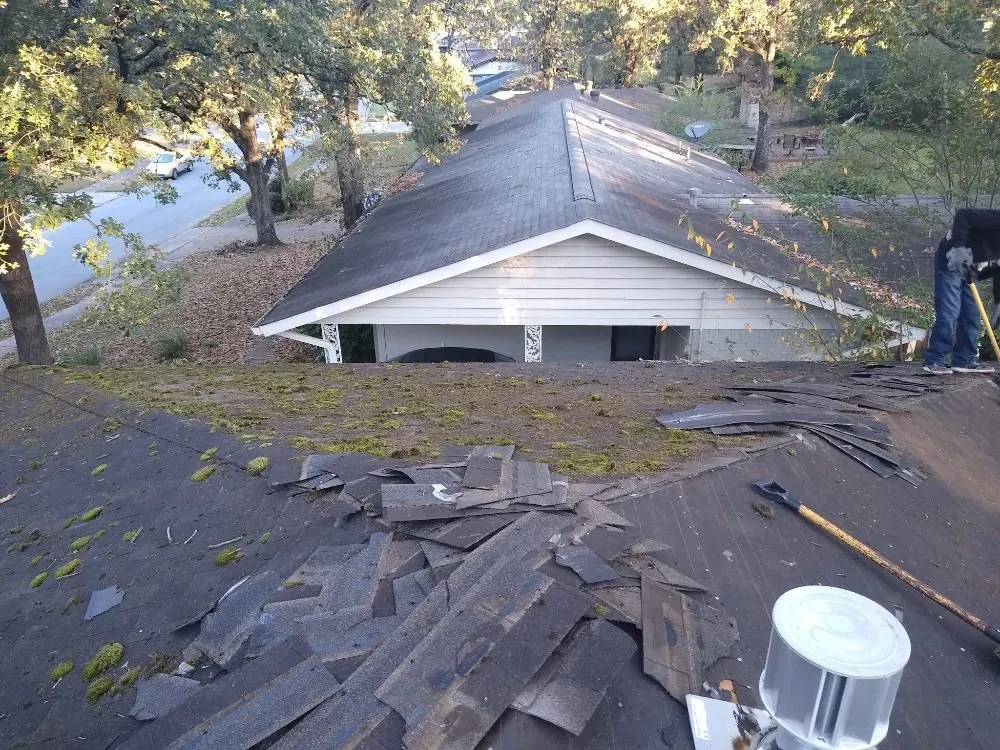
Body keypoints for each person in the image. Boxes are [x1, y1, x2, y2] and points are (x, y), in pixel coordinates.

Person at [923, 209, 1000, 374]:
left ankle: (964, 361)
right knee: (950, 311)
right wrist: (959, 249)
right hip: (953, 258)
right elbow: (963, 215)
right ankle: (934, 360)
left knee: (972, 315)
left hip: (972, 270)